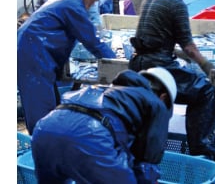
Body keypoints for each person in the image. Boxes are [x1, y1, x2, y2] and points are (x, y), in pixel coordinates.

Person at [128, 0, 215, 158]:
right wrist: (209, 68)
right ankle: (201, 147)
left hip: (137, 63)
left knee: (190, 86)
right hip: (159, 68)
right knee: (205, 91)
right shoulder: (177, 4)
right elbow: (189, 48)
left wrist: (177, 53)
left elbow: (157, 38)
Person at [31, 67, 177, 183]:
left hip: (45, 128)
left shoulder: (111, 90)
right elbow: (147, 161)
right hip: (89, 135)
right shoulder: (157, 105)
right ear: (163, 97)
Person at [17, 0, 116, 135]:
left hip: (33, 50)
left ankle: (46, 143)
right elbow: (92, 41)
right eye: (93, 1)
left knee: (51, 103)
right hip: (32, 53)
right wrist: (117, 63)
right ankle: (40, 147)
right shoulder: (73, 6)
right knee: (41, 107)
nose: (92, 5)